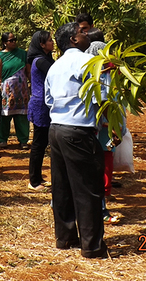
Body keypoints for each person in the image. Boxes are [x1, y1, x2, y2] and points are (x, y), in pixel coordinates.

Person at [44, 22, 107, 258]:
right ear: (72, 40)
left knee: (62, 187)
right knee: (87, 188)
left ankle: (66, 237)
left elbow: (49, 99)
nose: (86, 34)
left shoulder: (55, 66)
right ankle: (92, 246)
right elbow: (102, 93)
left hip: (57, 128)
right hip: (78, 130)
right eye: (81, 33)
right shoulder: (86, 62)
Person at [26, 30, 54, 192]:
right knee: (39, 143)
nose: (52, 42)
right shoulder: (41, 61)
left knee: (41, 143)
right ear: (42, 45)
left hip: (42, 103)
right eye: (49, 40)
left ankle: (37, 176)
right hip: (41, 105)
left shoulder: (44, 59)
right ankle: (34, 181)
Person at [0, 32, 30, 149]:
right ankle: (2, 139)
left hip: (22, 89)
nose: (13, 42)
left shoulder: (22, 54)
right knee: (4, 115)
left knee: (22, 115)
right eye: (11, 40)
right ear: (4, 43)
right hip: (6, 90)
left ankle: (23, 140)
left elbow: (28, 71)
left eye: (14, 39)